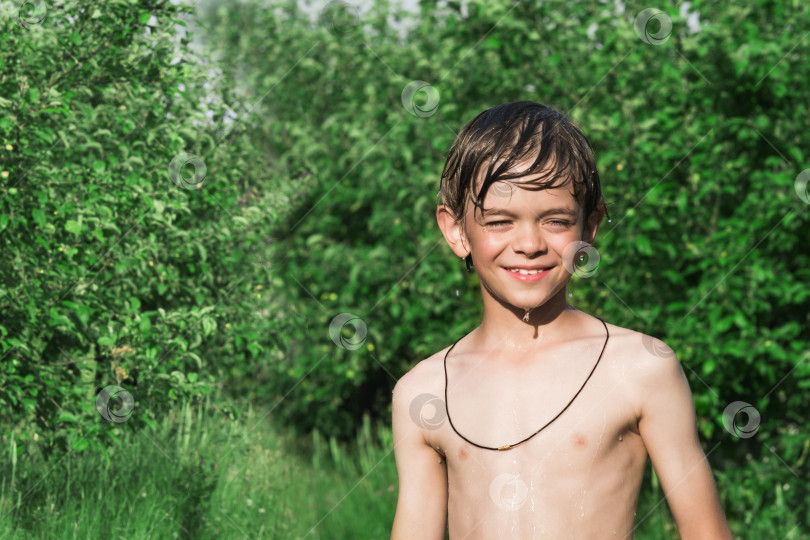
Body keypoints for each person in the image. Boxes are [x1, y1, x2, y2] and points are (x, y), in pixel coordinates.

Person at [390, 101, 733, 539]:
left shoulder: (639, 367)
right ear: (457, 231)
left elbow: (707, 533)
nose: (529, 243)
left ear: (589, 228)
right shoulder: (423, 391)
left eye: (555, 220)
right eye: (499, 221)